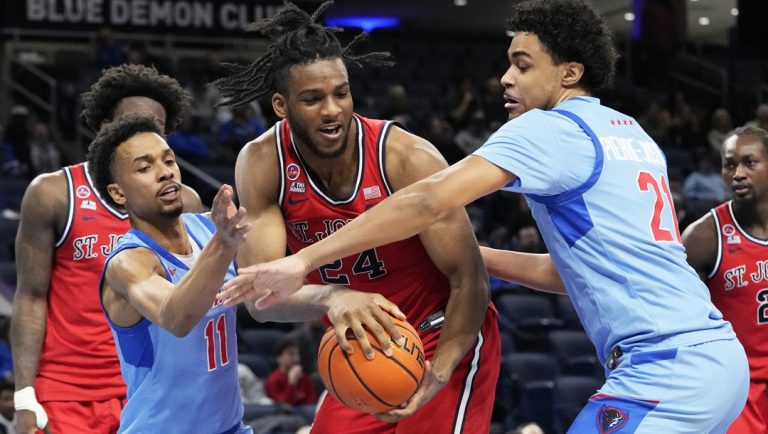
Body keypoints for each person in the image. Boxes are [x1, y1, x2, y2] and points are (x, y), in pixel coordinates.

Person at [219, 0, 749, 432]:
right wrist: (479, 255)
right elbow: (569, 272)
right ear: (282, 106)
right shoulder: (633, 134)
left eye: (521, 65)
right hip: (715, 360)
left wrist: (302, 261)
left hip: (665, 366)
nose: (504, 79)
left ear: (569, 72)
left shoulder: (546, 128)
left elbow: (430, 200)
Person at [212, 2, 500, 432]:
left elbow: (470, 281)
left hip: (442, 335)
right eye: (312, 99)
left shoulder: (406, 157)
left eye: (340, 93)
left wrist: (436, 376)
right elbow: (261, 299)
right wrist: (332, 296)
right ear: (280, 105)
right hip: (362, 347)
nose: (331, 110)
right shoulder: (262, 162)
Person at [10, 64, 205, 434]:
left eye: (155, 129)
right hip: (68, 392)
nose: (144, 136)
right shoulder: (53, 193)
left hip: (150, 388)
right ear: (105, 128)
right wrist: (24, 396)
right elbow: (30, 296)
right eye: (132, 124)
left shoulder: (186, 204)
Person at [87, 114, 252, 433]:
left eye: (168, 160)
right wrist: (222, 244)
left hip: (230, 427)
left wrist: (333, 298)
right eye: (144, 168)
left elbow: (268, 293)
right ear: (119, 193)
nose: (164, 173)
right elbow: (177, 317)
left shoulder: (209, 228)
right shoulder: (129, 263)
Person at [682, 126, 768, 434]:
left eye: (750, 162)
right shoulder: (704, 236)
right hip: (737, 392)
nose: (738, 173)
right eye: (730, 165)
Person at [264, 339, 318, 407]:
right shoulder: (273, 380)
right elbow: (282, 406)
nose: (296, 358)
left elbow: (312, 402)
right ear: (279, 358)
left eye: (297, 354)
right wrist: (291, 384)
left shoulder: (304, 377)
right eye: (291, 354)